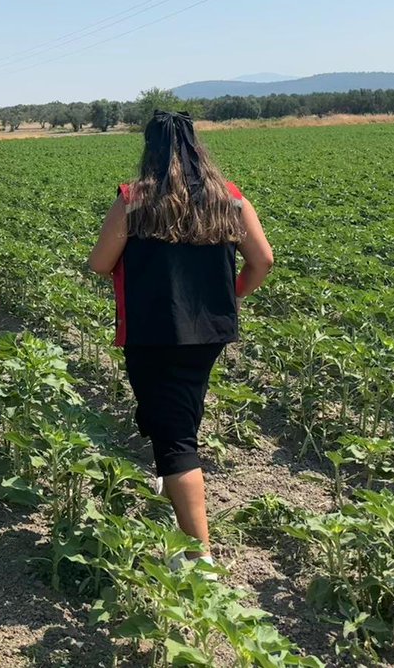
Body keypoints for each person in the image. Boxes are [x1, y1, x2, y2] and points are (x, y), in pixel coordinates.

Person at [87, 110, 274, 565]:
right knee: (176, 416)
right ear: (197, 146)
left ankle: (197, 558)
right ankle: (171, 485)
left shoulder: (135, 199)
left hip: (151, 332)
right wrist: (227, 299)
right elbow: (262, 260)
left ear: (149, 149)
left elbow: (99, 262)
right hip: (208, 332)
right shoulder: (228, 198)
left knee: (174, 438)